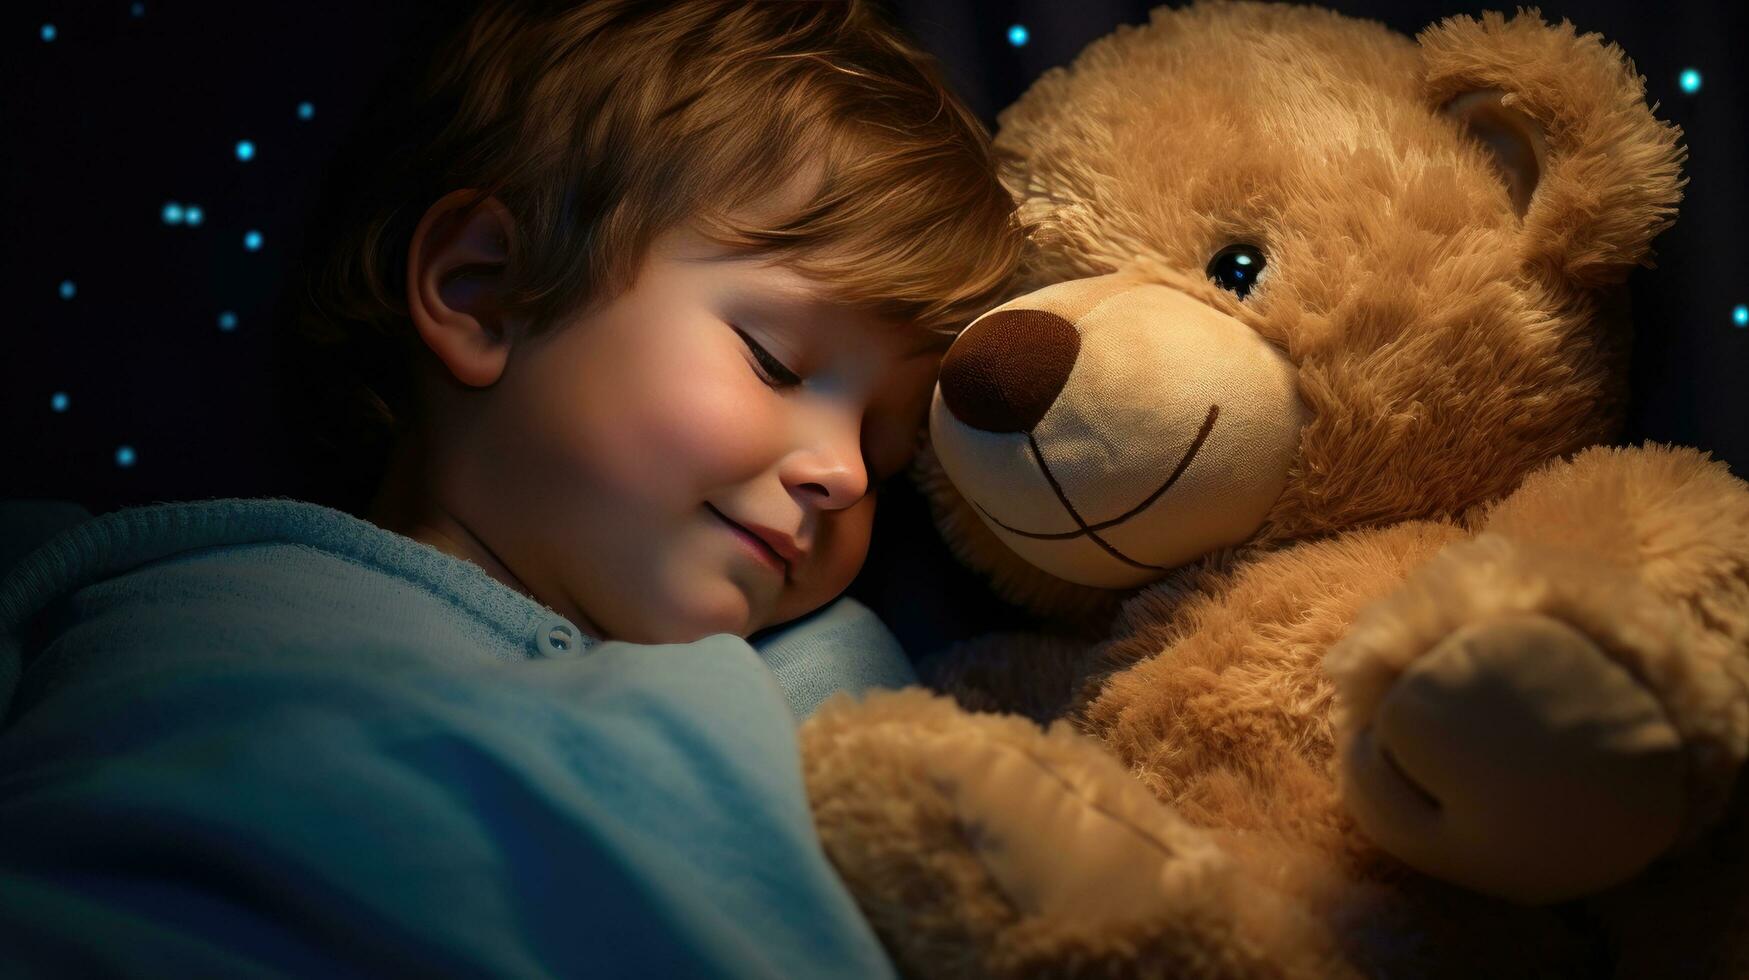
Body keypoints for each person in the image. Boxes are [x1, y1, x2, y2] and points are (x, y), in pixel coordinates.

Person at [0, 1, 1022, 975]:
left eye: (883, 457)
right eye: (776, 361)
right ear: (483, 293)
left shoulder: (812, 677)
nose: (843, 473)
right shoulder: (128, 585)